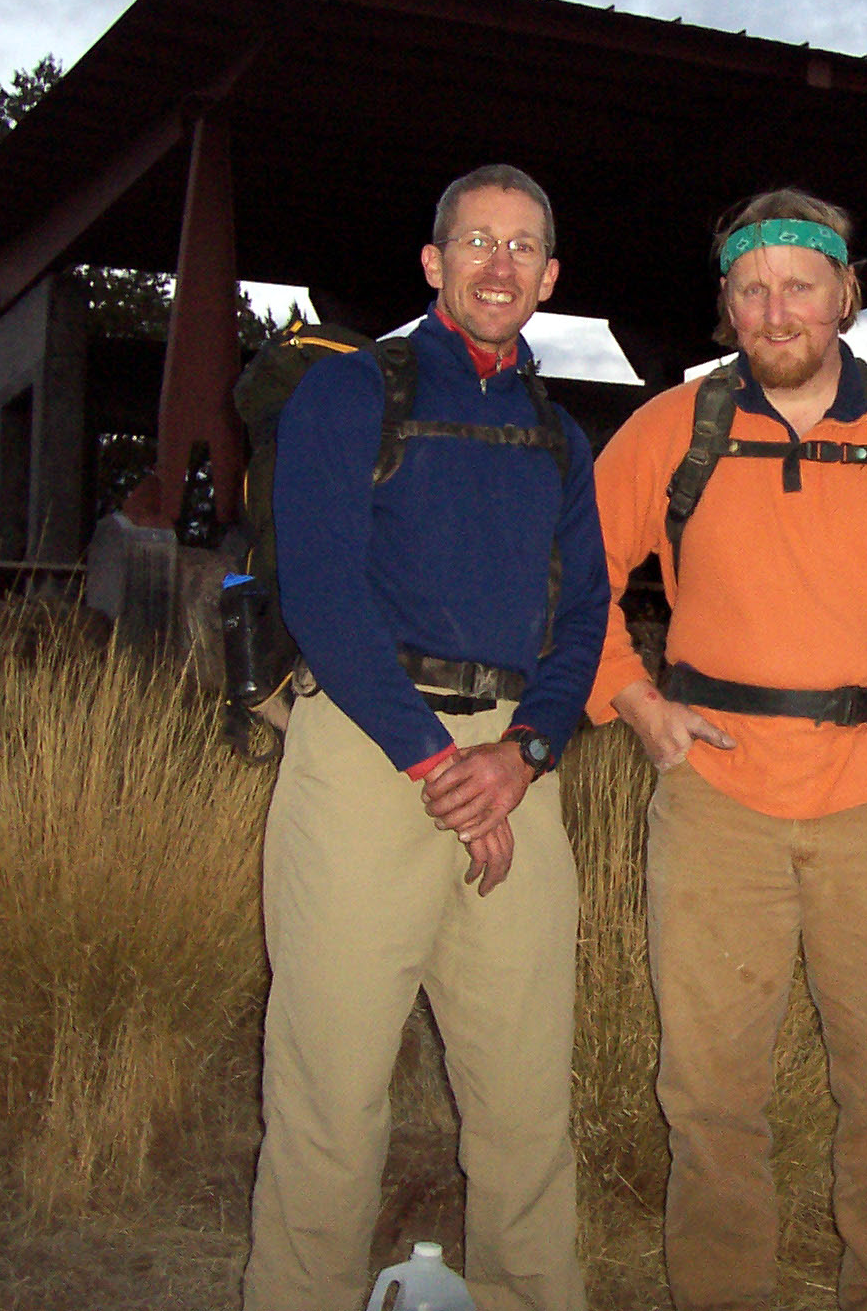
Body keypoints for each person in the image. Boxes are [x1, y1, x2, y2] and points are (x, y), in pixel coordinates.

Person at [588, 189, 867, 1311]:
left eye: (800, 284)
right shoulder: (673, 427)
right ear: (726, 302)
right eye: (752, 286)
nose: (776, 309)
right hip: (715, 804)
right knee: (711, 1100)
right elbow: (565, 580)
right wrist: (637, 704)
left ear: (846, 296)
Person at [242, 164, 608, 1311]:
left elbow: (588, 613)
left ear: (548, 277)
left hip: (513, 768)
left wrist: (527, 753)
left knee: (524, 1105)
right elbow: (323, 596)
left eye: (522, 249)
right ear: (433, 262)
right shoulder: (351, 396)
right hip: (366, 747)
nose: (498, 266)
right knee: (329, 1096)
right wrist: (436, 762)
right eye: (475, 242)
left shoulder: (560, 435)